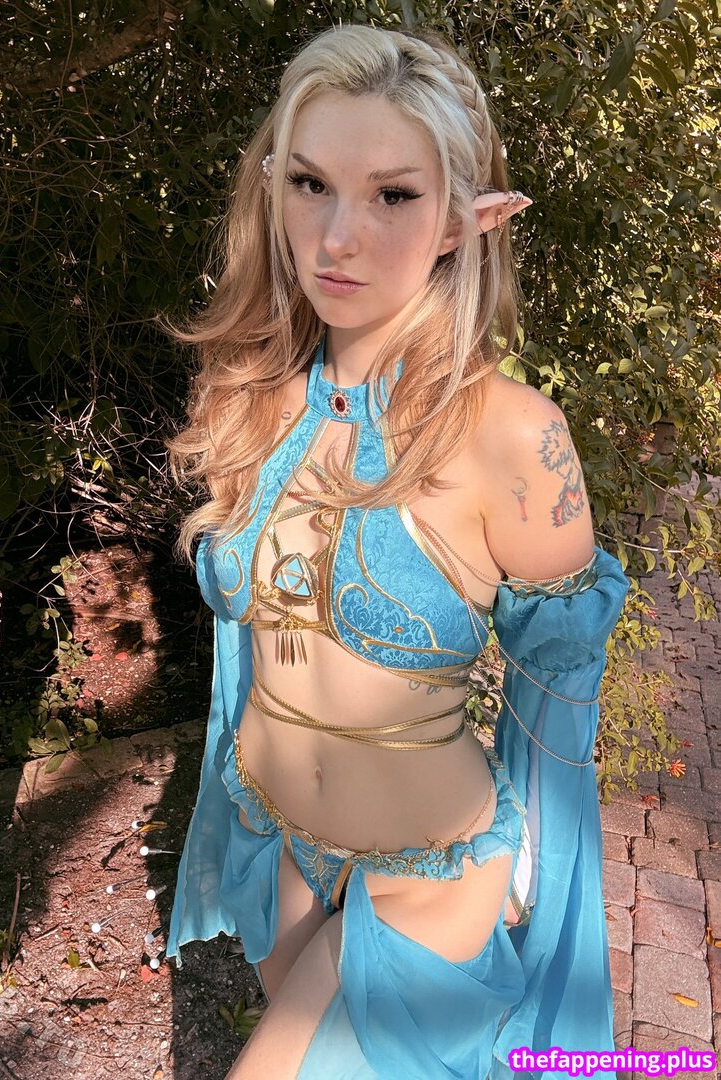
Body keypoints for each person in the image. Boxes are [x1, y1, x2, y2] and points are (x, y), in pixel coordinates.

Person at [163, 22, 630, 1080]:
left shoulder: (516, 439)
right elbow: (245, 662)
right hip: (277, 849)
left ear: (466, 219)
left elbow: (558, 711)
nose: (339, 237)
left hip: (432, 876)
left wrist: (546, 925)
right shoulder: (251, 400)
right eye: (311, 184)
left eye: (393, 196)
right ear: (273, 189)